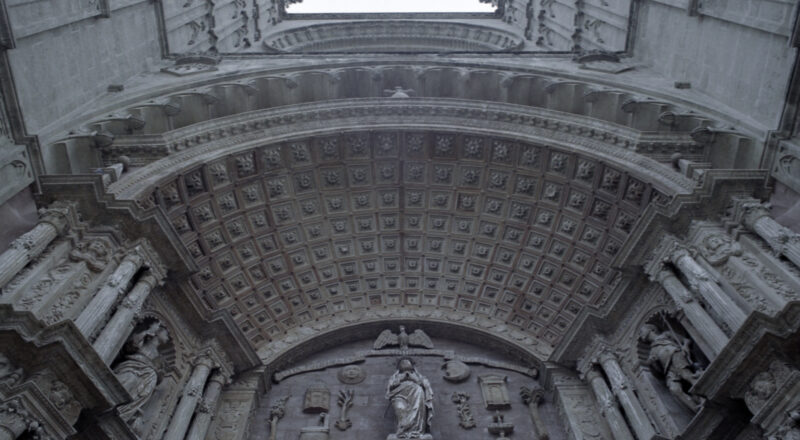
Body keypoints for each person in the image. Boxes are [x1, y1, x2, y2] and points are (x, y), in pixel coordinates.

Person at [639, 324, 703, 411]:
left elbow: (686, 340)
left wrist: (685, 346)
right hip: (668, 368)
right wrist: (652, 364)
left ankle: (703, 397)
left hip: (676, 355)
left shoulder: (666, 335)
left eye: (641, 331)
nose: (640, 334)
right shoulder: (652, 351)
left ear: (651, 329)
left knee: (687, 376)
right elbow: (659, 373)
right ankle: (696, 408)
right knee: (674, 388)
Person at [386, 358, 434, 440]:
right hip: (399, 395)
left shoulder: (418, 375)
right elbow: (390, 387)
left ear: (412, 365)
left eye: (407, 362)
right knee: (400, 409)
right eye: (402, 362)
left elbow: (425, 385)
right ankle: (402, 432)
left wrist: (414, 378)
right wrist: (401, 379)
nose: (405, 364)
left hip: (416, 394)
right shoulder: (395, 376)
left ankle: (415, 432)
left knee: (416, 409)